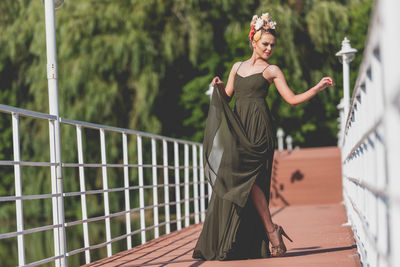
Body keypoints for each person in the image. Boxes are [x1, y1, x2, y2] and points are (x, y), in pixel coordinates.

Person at [192, 12, 334, 260]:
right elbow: (227, 96)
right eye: (265, 43)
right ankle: (252, 236)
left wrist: (317, 87)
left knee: (253, 181)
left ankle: (270, 231)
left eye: (272, 45)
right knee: (235, 178)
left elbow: (292, 100)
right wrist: (217, 87)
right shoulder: (237, 67)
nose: (269, 48)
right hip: (239, 130)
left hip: (259, 131)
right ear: (253, 41)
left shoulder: (273, 71)